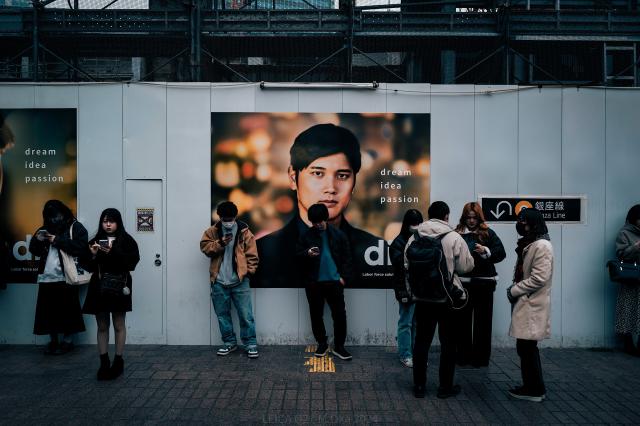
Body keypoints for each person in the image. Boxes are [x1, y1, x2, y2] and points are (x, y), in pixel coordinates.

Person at [255, 123, 390, 289]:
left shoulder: (377, 254)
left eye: (342, 175)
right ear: (293, 178)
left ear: (354, 182)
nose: (331, 188)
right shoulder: (260, 254)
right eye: (318, 173)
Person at [405, 201, 474, 399]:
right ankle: (445, 387)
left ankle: (419, 386)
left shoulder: (415, 236)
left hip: (422, 298)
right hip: (446, 298)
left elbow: (406, 264)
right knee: (448, 344)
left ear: (429, 215)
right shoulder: (453, 237)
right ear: (446, 216)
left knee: (421, 342)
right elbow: (466, 267)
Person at [82, 208, 140, 380]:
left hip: (119, 285)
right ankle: (104, 362)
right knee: (102, 325)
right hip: (99, 286)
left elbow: (132, 263)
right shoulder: (95, 241)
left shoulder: (126, 240)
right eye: (105, 221)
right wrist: (93, 255)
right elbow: (86, 265)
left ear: (118, 222)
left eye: (112, 221)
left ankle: (118, 360)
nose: (108, 224)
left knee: (119, 323)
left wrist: (112, 252)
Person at [200, 201, 260, 358]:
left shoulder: (244, 231)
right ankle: (229, 343)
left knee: (246, 315)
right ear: (219, 217)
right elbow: (205, 248)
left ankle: (250, 344)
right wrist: (220, 243)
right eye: (225, 219)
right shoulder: (212, 232)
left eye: (230, 219)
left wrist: (247, 273)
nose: (228, 222)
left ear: (235, 216)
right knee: (222, 315)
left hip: (240, 281)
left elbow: (252, 255)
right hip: (219, 282)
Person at [506, 208, 553, 402]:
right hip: (527, 302)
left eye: (524, 221)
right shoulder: (531, 243)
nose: (520, 225)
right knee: (525, 347)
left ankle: (534, 389)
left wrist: (514, 290)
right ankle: (532, 386)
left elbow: (539, 278)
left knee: (527, 347)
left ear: (533, 223)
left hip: (532, 303)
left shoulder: (542, 245)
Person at [28, 200, 87, 355]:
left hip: (66, 276)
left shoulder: (75, 227)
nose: (54, 219)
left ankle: (68, 341)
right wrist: (37, 240)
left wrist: (57, 240)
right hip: (47, 277)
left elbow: (81, 248)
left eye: (56, 215)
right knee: (47, 312)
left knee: (68, 311)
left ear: (63, 212)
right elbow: (33, 250)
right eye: (50, 216)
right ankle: (53, 341)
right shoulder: (44, 228)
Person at [297, 203, 353, 360]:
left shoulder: (338, 235)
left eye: (320, 221)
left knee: (340, 316)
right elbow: (297, 256)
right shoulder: (307, 236)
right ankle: (322, 343)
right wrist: (307, 253)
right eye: (315, 222)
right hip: (314, 283)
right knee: (316, 315)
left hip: (335, 282)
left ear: (326, 219)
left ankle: (339, 347)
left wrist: (344, 278)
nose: (318, 225)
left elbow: (347, 258)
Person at [454, 202, 506, 367]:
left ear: (479, 218)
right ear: (464, 217)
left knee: (483, 323)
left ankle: (480, 359)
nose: (471, 221)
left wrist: (486, 251)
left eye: (474, 217)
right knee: (462, 322)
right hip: (463, 285)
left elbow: (501, 253)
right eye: (468, 217)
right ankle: (463, 357)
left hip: (484, 284)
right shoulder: (457, 234)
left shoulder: (488, 233)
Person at [389, 209, 423, 368]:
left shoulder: (422, 239)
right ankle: (405, 355)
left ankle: (415, 354)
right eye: (413, 224)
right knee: (405, 323)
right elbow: (399, 268)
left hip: (420, 288)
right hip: (406, 288)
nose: (416, 227)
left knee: (416, 323)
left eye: (419, 223)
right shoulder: (398, 243)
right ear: (407, 224)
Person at [614, 204, 640, 356]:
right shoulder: (624, 233)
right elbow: (621, 254)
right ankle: (628, 343)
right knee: (628, 309)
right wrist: (636, 247)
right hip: (631, 278)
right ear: (634, 219)